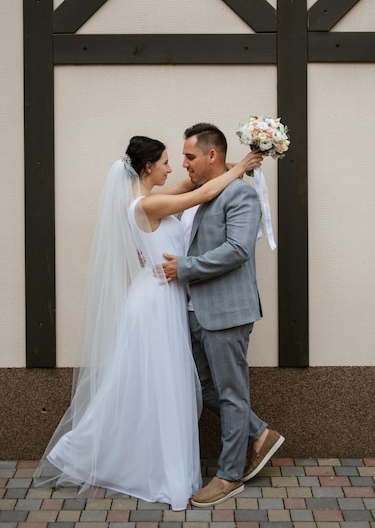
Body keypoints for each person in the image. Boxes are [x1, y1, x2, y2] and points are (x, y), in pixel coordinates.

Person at [34, 136, 263, 511]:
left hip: (164, 295)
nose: (173, 168)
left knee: (161, 384)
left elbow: (196, 183)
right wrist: (239, 169)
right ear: (147, 169)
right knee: (159, 384)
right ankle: (96, 452)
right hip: (157, 300)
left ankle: (156, 459)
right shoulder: (150, 203)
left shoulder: (152, 196)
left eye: (179, 160)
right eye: (166, 162)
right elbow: (201, 195)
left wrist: (226, 162)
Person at [162, 123, 285, 508]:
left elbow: (237, 250)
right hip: (194, 310)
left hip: (227, 313)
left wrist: (184, 268)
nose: (184, 163)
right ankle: (260, 433)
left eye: (190, 156)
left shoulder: (240, 194)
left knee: (231, 393)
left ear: (211, 155)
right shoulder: (202, 193)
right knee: (204, 387)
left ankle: (230, 475)